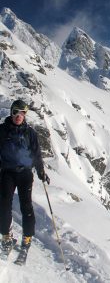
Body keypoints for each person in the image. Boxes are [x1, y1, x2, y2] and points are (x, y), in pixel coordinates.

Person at [0, 99, 50, 251]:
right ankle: (6, 236)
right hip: (7, 172)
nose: (19, 116)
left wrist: (41, 171)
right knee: (3, 206)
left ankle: (27, 237)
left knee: (26, 205)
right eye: (16, 112)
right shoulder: (2, 131)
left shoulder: (30, 133)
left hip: (25, 173)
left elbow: (36, 154)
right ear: (11, 112)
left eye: (22, 113)